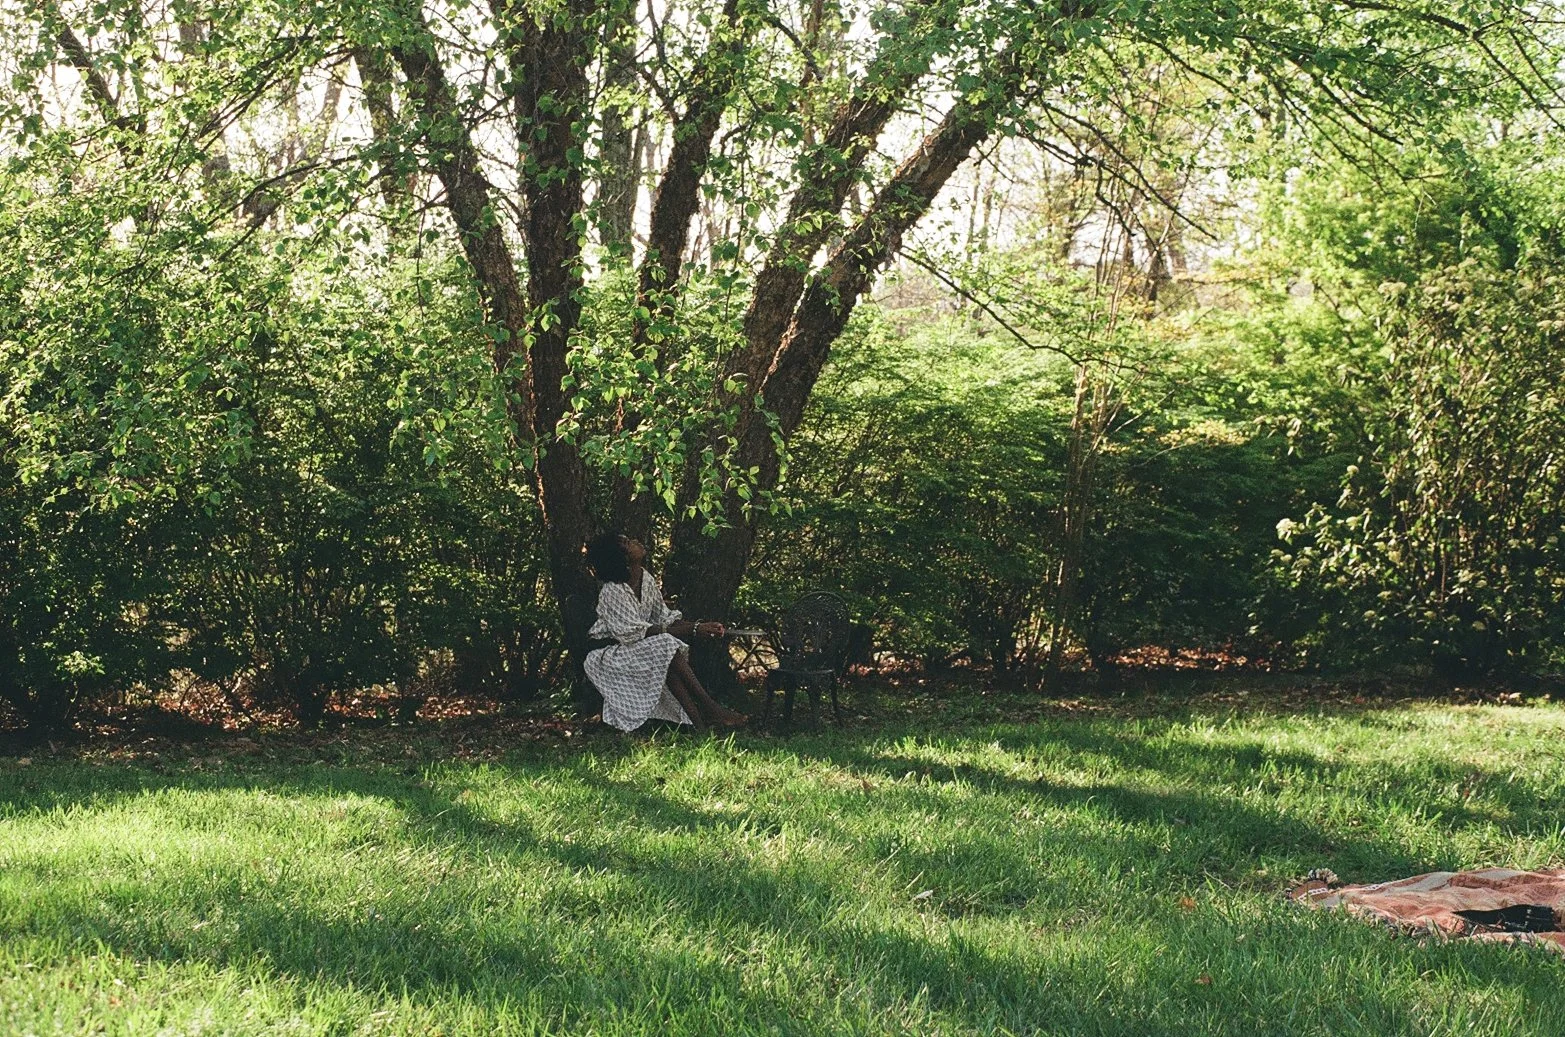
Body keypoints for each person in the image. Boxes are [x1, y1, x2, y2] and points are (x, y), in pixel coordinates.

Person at [582, 532, 747, 733]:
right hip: (610, 653)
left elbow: (664, 618)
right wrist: (693, 629)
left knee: (664, 648)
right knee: (665, 644)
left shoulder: (645, 578)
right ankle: (709, 708)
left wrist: (701, 626)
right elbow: (635, 633)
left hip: (637, 647)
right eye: (627, 542)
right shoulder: (613, 591)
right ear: (622, 556)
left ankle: (700, 725)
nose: (636, 541)